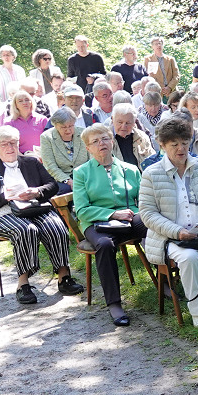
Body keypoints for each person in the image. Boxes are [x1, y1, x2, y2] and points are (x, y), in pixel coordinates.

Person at [139, 116, 198, 327]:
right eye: (174, 145)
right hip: (171, 237)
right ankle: (196, 311)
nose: (181, 149)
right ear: (162, 145)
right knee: (190, 258)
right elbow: (148, 213)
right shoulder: (151, 174)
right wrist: (177, 232)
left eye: (185, 143)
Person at [0, 126, 83, 304]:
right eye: (4, 144)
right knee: (27, 230)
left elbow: (52, 185)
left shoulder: (30, 162)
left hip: (35, 208)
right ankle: (23, 284)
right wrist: (6, 197)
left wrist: (37, 192)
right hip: (4, 213)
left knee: (56, 226)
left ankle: (64, 277)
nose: (10, 147)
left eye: (13, 143)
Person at [73, 123, 148, 326]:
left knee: (152, 226)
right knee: (105, 245)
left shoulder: (130, 169)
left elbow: (144, 201)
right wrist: (113, 214)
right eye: (95, 142)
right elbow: (81, 210)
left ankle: (166, 281)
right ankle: (114, 304)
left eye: (105, 138)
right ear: (88, 148)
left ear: (112, 141)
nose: (101, 144)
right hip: (97, 224)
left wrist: (137, 213)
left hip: (131, 218)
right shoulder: (81, 173)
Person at [39, 107, 89, 194]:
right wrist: (68, 181)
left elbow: (92, 159)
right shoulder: (46, 137)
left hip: (85, 175)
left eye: (71, 126)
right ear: (55, 125)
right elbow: (50, 165)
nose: (68, 130)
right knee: (66, 190)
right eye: (63, 127)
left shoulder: (84, 133)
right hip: (62, 179)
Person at [111, 104, 156, 168]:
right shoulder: (104, 140)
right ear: (112, 119)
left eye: (128, 123)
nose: (123, 126)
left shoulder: (142, 137)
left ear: (134, 122)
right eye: (120, 122)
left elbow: (152, 162)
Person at [7, 90, 49, 154]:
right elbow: (9, 144)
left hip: (42, 156)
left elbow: (49, 141)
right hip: (20, 158)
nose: (24, 103)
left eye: (27, 100)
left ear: (31, 102)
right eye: (20, 101)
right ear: (16, 105)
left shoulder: (42, 119)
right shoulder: (9, 123)